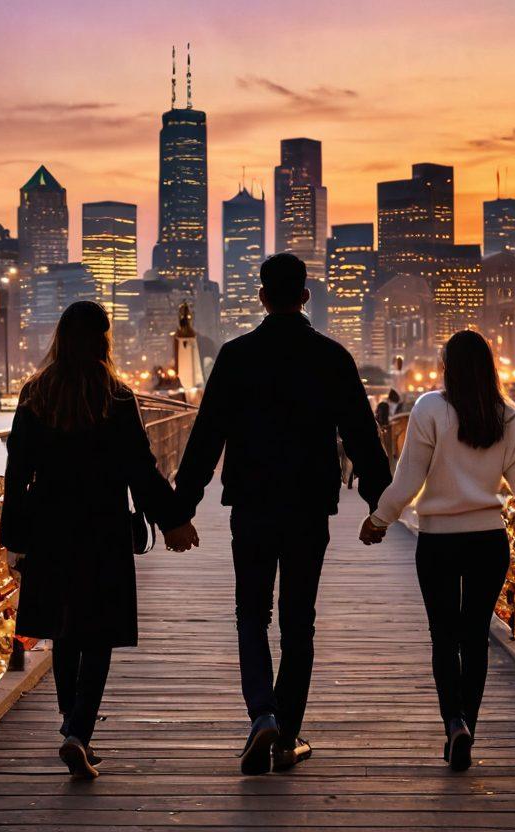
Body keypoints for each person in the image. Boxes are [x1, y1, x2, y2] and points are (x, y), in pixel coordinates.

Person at [166, 253, 392, 775]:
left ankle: (262, 714)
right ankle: (287, 735)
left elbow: (206, 438)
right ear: (305, 296)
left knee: (251, 613)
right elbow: (363, 437)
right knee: (298, 619)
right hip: (309, 506)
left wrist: (181, 509)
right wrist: (381, 507)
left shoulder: (236, 356)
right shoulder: (332, 357)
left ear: (263, 298)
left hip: (252, 504)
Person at [359, 330, 515, 772]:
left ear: (447, 368)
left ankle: (454, 723)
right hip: (488, 542)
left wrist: (380, 518)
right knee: (475, 636)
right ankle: (469, 729)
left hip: (438, 542)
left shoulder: (429, 409)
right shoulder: (508, 417)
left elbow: (409, 478)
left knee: (444, 637)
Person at [0, 301, 198, 780]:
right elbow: (141, 470)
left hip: (49, 528)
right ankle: (79, 731)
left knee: (64, 629)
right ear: (104, 341)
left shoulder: (35, 395)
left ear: (60, 338)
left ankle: (72, 720)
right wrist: (174, 520)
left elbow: (16, 473)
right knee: (99, 631)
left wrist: (14, 538)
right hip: (102, 527)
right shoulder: (117, 397)